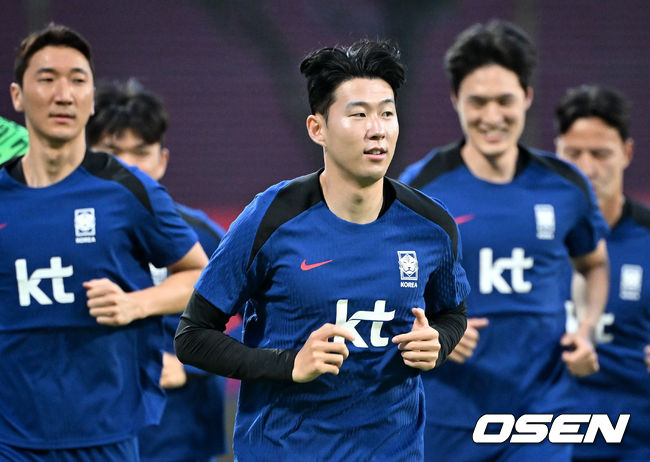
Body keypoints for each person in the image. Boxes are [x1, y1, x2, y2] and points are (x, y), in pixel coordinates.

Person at [174, 39, 470, 461]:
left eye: (387, 112)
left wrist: (437, 341)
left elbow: (452, 314)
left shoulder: (432, 227)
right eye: (359, 114)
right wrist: (288, 364)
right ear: (318, 129)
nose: (378, 129)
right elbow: (193, 337)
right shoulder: (270, 219)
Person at [399, 20, 609, 462]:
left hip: (542, 415)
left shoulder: (567, 186)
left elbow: (594, 264)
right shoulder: (420, 190)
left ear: (528, 97)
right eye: (477, 102)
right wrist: (434, 330)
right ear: (455, 100)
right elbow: (384, 284)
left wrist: (586, 331)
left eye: (504, 101)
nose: (492, 117)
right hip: (446, 417)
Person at [0, 24, 208, 461]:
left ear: (91, 99)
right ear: (17, 96)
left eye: (78, 80)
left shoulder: (130, 191)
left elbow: (199, 274)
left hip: (104, 439)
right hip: (10, 439)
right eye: (47, 78)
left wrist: (137, 303)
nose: (63, 94)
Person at [86, 78, 228, 462]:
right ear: (85, 155)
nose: (129, 166)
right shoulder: (61, 234)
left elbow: (265, 323)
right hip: (89, 430)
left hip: (181, 432)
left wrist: (189, 365)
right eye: (112, 150)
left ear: (162, 160)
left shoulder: (202, 236)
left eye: (142, 152)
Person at [555, 85, 650, 462]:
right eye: (574, 153)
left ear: (627, 153)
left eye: (600, 154)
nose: (587, 168)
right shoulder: (526, 239)